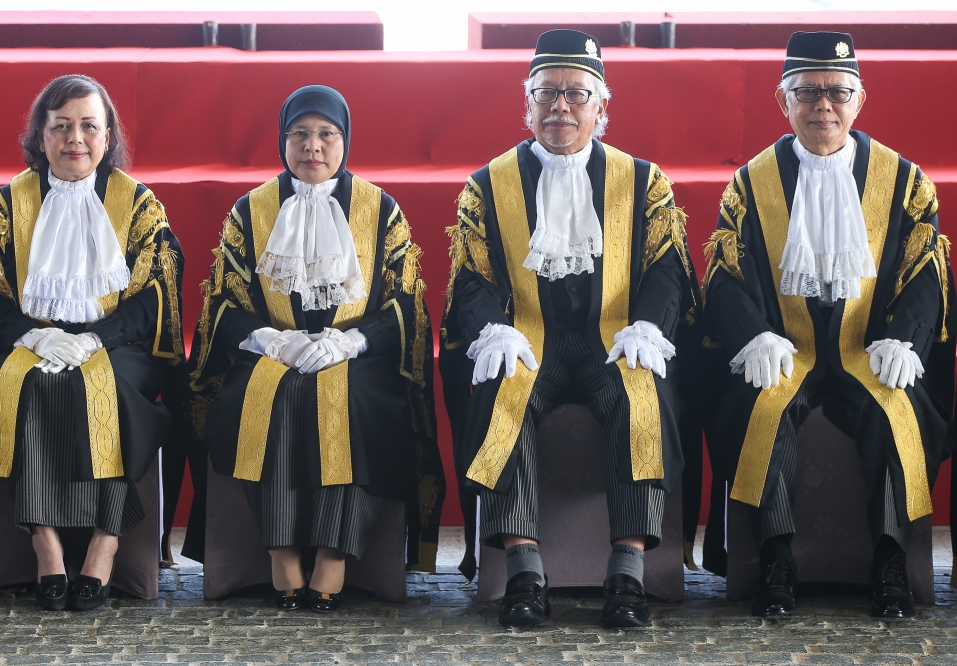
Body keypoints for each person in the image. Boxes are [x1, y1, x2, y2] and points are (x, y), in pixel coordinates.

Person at [439, 30, 699, 627]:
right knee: (504, 395)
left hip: (614, 340)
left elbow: (666, 268)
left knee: (643, 396)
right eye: (547, 94)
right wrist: (493, 331)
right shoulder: (487, 184)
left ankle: (628, 572)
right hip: (531, 340)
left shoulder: (644, 180)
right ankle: (525, 572)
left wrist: (648, 327)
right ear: (525, 104)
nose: (561, 107)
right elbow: (472, 278)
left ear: (601, 107)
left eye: (576, 95)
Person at [703, 32, 955, 618]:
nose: (823, 105)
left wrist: (905, 337)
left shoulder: (905, 181)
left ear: (859, 100)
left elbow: (926, 268)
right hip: (784, 350)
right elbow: (723, 272)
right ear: (781, 100)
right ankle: (776, 561)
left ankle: (891, 563)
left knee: (896, 406)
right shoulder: (750, 182)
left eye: (837, 92)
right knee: (765, 406)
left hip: (870, 348)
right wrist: (755, 335)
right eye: (808, 92)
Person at [187, 85, 445, 611]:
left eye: (326, 134)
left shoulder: (381, 210)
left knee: (350, 403)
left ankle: (334, 553)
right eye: (299, 134)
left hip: (359, 359)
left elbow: (406, 308)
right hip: (270, 356)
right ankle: (281, 552)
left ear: (345, 141)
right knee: (274, 399)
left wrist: (351, 341)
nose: (313, 147)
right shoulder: (250, 210)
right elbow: (221, 302)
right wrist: (268, 339)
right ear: (283, 141)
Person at [0, 74, 186, 611]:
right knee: (26, 387)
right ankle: (46, 544)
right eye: (60, 127)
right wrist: (34, 335)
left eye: (88, 126)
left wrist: (95, 341)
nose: (74, 139)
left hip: (118, 346)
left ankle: (105, 546)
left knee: (101, 392)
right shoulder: (7, 203)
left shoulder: (140, 205)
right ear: (40, 137)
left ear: (108, 138)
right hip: (28, 341)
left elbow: (156, 299)